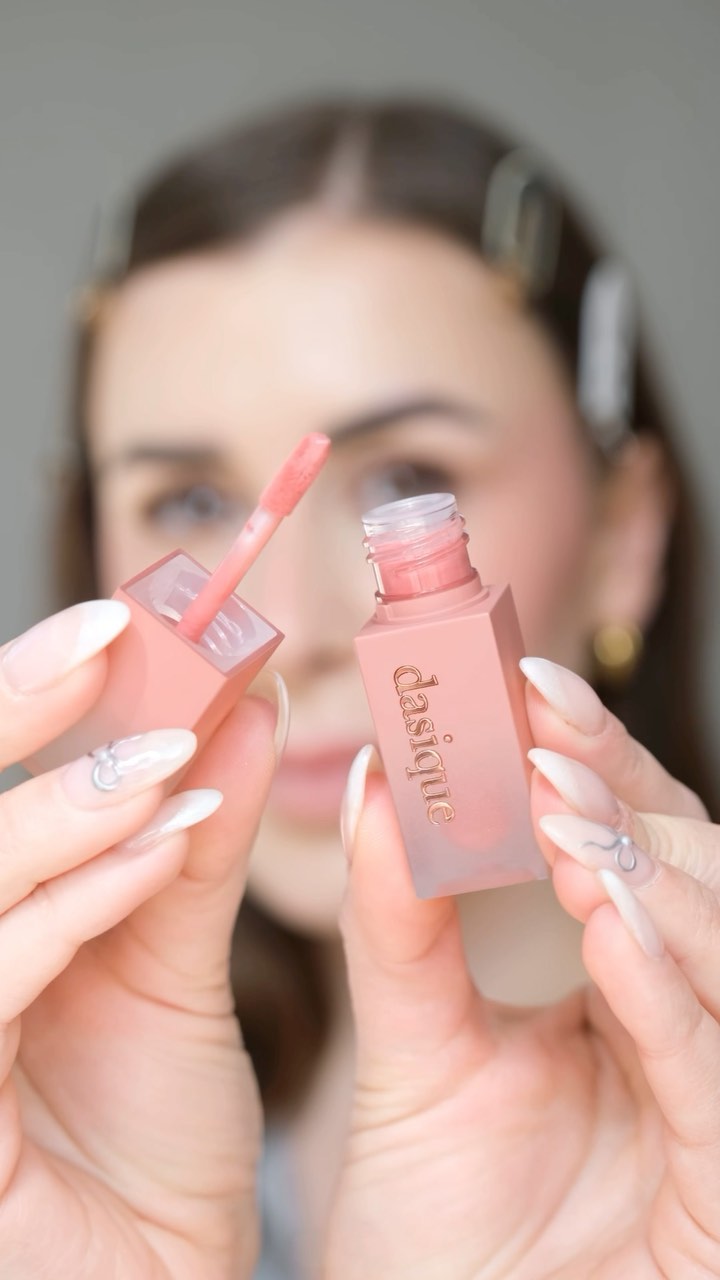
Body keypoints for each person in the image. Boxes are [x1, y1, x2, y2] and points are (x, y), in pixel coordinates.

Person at [1, 95, 719, 1278]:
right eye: (190, 499)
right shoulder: (67, 1162)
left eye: (408, 477)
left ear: (625, 533)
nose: (294, 628)